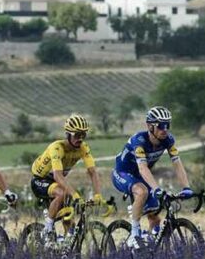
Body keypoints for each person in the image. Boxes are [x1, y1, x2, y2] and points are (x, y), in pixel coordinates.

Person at [112, 106, 194, 249]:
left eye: (167, 125)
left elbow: (177, 164)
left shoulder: (168, 140)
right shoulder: (139, 141)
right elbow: (143, 168)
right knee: (142, 191)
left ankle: (147, 249)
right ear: (150, 126)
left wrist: (186, 187)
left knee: (155, 218)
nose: (165, 129)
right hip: (122, 173)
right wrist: (156, 188)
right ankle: (134, 234)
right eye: (161, 126)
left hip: (140, 175)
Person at [30, 114, 104, 238]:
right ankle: (47, 229)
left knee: (69, 219)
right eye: (77, 135)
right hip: (40, 180)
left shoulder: (83, 148)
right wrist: (75, 195)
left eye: (83, 135)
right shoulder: (57, 148)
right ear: (68, 134)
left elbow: (92, 172)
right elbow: (58, 176)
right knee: (63, 193)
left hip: (56, 182)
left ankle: (65, 247)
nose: (80, 139)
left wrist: (98, 195)